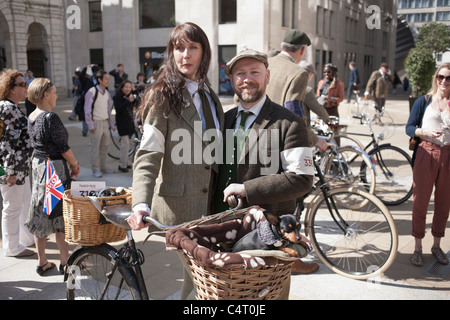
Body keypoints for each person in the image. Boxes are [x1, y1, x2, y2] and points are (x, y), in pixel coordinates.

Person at [126, 22, 224, 299]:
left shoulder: (209, 95)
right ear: (171, 53)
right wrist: (140, 203)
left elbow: (215, 151)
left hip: (208, 209)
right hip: (177, 209)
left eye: (193, 47)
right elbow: (148, 154)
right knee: (203, 280)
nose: (185, 55)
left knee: (195, 281)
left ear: (204, 53)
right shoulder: (162, 97)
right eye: (179, 48)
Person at [215, 49, 315, 280]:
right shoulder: (224, 121)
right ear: (231, 80)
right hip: (224, 233)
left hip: (267, 241)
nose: (247, 79)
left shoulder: (290, 123)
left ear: (267, 77)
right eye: (240, 73)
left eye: (254, 72)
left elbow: (301, 179)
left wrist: (247, 189)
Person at [26, 78, 81, 275]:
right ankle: (65, 262)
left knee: (40, 213)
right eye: (54, 92)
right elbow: (63, 148)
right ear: (46, 95)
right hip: (54, 169)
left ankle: (42, 261)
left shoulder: (32, 116)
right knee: (60, 216)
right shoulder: (50, 118)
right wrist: (74, 164)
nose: (57, 95)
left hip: (39, 166)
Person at [406, 62, 450, 267]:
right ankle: (417, 247)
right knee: (420, 202)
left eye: (448, 78)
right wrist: (424, 133)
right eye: (441, 77)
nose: (444, 81)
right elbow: (409, 127)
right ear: (436, 78)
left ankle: (436, 244)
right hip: (426, 153)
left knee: (444, 203)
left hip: (447, 155)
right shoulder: (424, 101)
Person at [266, 30, 327, 152]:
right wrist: (315, 139)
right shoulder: (298, 73)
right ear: (302, 50)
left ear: (282, 46)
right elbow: (295, 115)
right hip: (279, 142)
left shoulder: (266, 63)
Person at [0, 69, 35, 257]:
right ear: (11, 89)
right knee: (12, 207)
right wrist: (9, 171)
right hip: (13, 169)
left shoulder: (11, 107)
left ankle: (25, 238)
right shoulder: (8, 109)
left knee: (22, 203)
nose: (26, 87)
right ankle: (12, 247)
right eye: (22, 84)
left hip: (20, 168)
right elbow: (7, 144)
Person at [84, 70, 116, 178]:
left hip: (105, 122)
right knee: (95, 147)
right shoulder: (92, 92)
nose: (108, 81)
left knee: (105, 146)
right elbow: (87, 110)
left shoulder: (106, 93)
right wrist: (90, 125)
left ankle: (103, 167)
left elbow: (108, 110)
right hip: (96, 122)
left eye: (108, 79)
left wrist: (112, 124)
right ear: (99, 80)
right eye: (106, 79)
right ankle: (95, 169)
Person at [298, 61, 330, 139]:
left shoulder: (289, 85)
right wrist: (327, 120)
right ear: (309, 74)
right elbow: (318, 109)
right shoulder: (306, 90)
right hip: (300, 130)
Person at [113, 80, 139, 172]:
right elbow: (119, 108)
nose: (128, 89)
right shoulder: (117, 97)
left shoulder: (130, 96)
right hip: (122, 124)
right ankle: (122, 165)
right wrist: (128, 101)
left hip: (129, 124)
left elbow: (136, 104)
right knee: (125, 145)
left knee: (127, 145)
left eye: (129, 87)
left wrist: (134, 96)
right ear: (122, 87)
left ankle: (125, 163)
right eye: (126, 87)